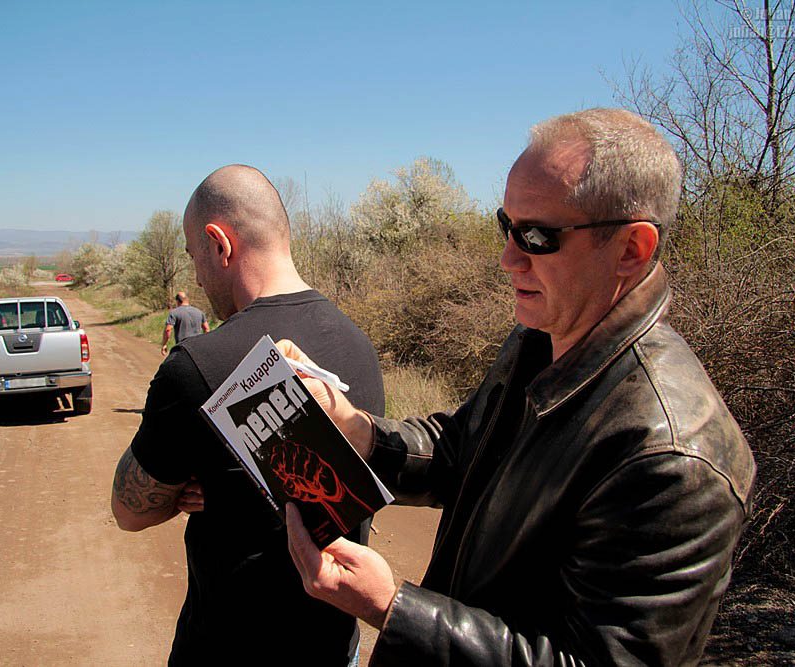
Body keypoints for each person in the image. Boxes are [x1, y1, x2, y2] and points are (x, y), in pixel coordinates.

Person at [279, 108, 757, 666]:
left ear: (631, 248)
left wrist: (392, 607)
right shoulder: (544, 334)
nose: (508, 259)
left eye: (536, 236)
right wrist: (356, 429)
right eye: (505, 226)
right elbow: (463, 447)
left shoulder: (675, 458)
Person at [111, 164, 385, 666]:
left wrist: (179, 493)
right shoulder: (359, 344)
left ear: (220, 244)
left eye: (194, 256)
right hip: (333, 649)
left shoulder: (194, 365)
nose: (197, 277)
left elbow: (129, 511)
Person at [161, 291, 209, 356]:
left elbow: (168, 330)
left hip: (182, 347)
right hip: (197, 346)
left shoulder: (174, 313)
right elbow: (206, 329)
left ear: (177, 301)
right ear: (187, 300)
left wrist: (164, 344)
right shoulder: (199, 312)